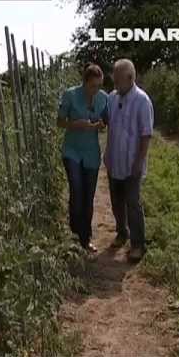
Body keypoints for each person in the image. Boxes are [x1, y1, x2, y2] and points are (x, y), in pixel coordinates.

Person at [102, 58, 154, 262]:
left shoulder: (142, 101)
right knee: (116, 200)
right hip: (115, 158)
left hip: (133, 162)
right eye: (114, 81)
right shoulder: (113, 98)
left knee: (132, 202)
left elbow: (146, 134)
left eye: (118, 81)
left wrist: (139, 161)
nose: (115, 85)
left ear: (130, 78)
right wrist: (107, 152)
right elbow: (111, 128)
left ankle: (138, 244)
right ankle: (122, 233)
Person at [57, 63, 108, 253]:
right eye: (93, 85)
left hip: (91, 153)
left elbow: (104, 121)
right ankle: (74, 234)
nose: (96, 89)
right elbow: (59, 121)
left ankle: (85, 239)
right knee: (76, 191)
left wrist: (101, 125)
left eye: (99, 85)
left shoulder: (103, 99)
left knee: (88, 196)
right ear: (85, 83)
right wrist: (74, 124)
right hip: (72, 150)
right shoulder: (70, 95)